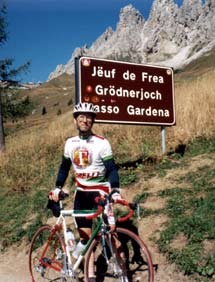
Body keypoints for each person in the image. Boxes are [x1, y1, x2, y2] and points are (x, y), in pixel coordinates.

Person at [49, 102, 121, 282]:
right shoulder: (70, 143)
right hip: (81, 194)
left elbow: (112, 169)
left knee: (112, 234)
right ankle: (89, 277)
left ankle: (124, 274)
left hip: (100, 192)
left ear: (93, 121)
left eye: (89, 117)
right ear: (75, 120)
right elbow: (64, 167)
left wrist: (115, 190)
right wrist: (58, 186)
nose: (85, 120)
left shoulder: (102, 143)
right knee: (87, 239)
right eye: (81, 116)